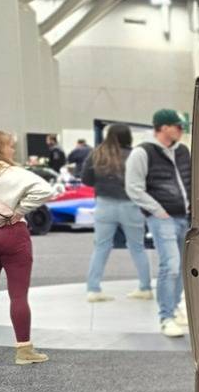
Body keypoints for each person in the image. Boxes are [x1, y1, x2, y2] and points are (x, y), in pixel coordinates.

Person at [124, 109, 191, 337]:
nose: (181, 130)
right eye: (178, 126)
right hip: (163, 218)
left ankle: (174, 308)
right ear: (164, 128)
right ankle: (166, 317)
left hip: (186, 217)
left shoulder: (182, 151)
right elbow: (133, 187)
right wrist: (157, 210)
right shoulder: (142, 152)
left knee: (182, 267)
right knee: (170, 265)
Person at [0, 129, 53, 365]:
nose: (12, 150)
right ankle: (24, 350)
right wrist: (19, 211)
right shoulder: (15, 173)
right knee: (18, 295)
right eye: (10, 146)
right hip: (13, 234)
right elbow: (45, 190)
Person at [81, 124, 152, 303]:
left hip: (104, 205)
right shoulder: (137, 155)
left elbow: (86, 179)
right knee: (137, 247)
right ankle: (145, 288)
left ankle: (93, 290)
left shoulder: (97, 154)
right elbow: (147, 180)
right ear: (128, 137)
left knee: (101, 247)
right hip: (132, 205)